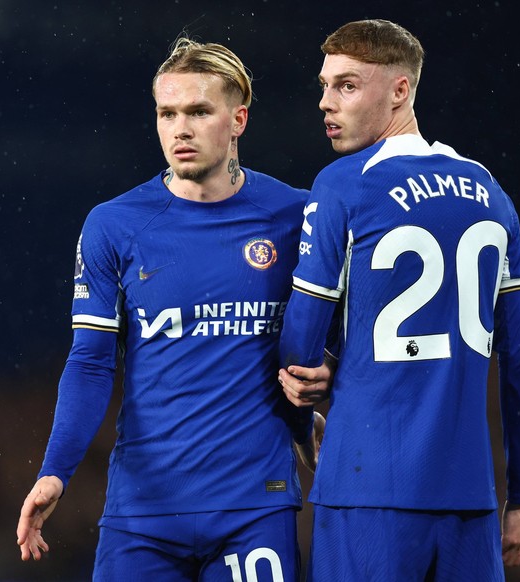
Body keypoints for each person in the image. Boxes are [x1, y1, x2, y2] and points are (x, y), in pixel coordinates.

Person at [16, 37, 330, 581]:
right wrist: (55, 471)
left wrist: (324, 388)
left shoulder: (297, 214)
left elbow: (335, 337)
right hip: (143, 516)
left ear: (239, 120)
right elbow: (91, 362)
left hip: (254, 508)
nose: (179, 128)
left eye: (198, 111)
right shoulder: (114, 225)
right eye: (167, 113)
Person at [278, 19, 520, 581]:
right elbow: (519, 360)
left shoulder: (344, 184)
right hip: (469, 498)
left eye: (347, 86)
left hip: (365, 486)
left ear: (400, 90)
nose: (326, 103)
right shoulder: (492, 194)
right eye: (323, 86)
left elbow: (298, 347)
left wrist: (321, 370)